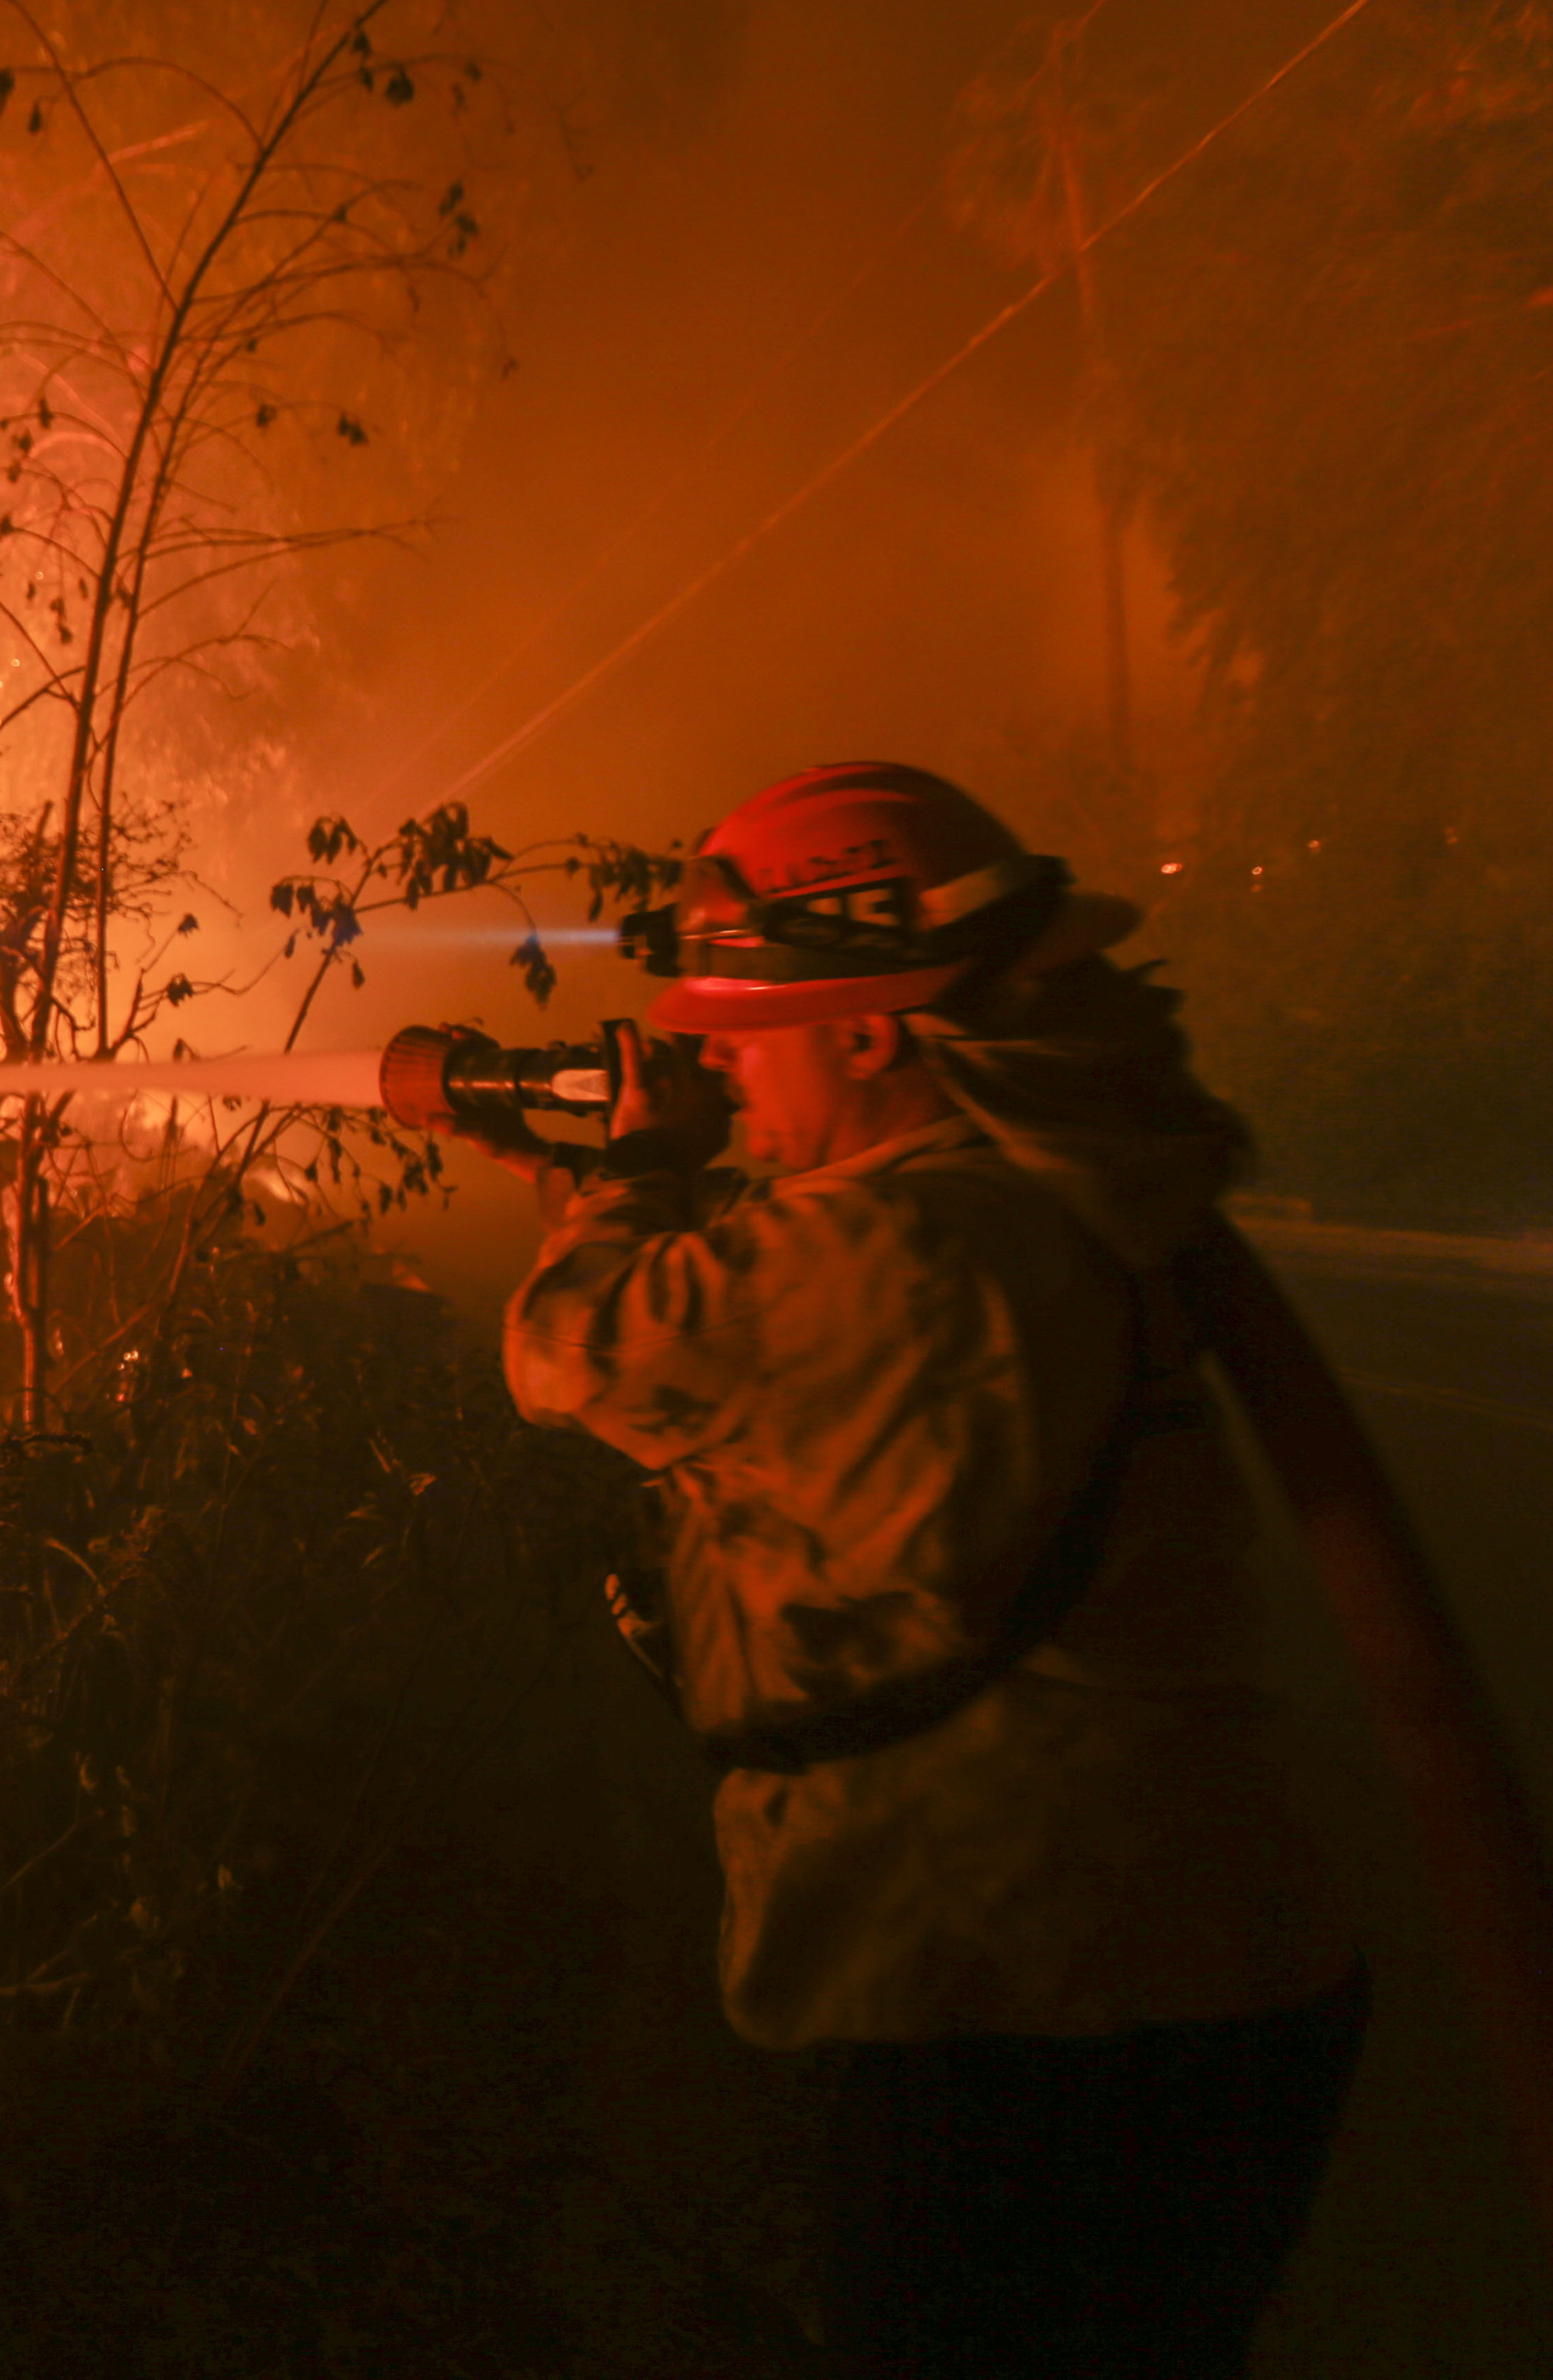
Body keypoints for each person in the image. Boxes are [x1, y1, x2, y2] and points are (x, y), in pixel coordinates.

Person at [465, 761, 1363, 2379]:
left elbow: (572, 1351)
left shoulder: (902, 1253)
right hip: (1144, 1977)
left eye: (740, 1023)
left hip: (1023, 2002)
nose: (711, 1051)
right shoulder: (1012, 1187)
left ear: (872, 1030)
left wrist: (629, 1174)